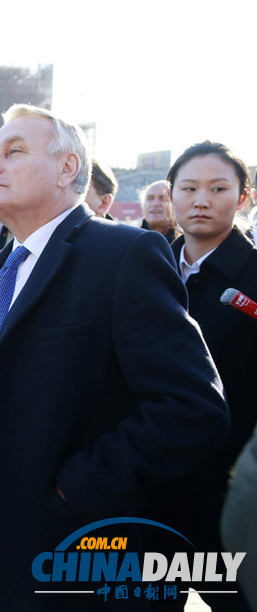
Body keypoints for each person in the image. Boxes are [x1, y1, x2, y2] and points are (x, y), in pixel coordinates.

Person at [0, 104, 229, 610]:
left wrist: (74, 493)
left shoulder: (124, 254)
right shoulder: (2, 266)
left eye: (13, 151)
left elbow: (192, 408)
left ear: (67, 168)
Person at [150, 141, 257, 612]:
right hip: (145, 477)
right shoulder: (143, 267)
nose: (201, 201)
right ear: (171, 193)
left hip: (227, 484)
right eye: (189, 188)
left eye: (218, 189)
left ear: (243, 197)